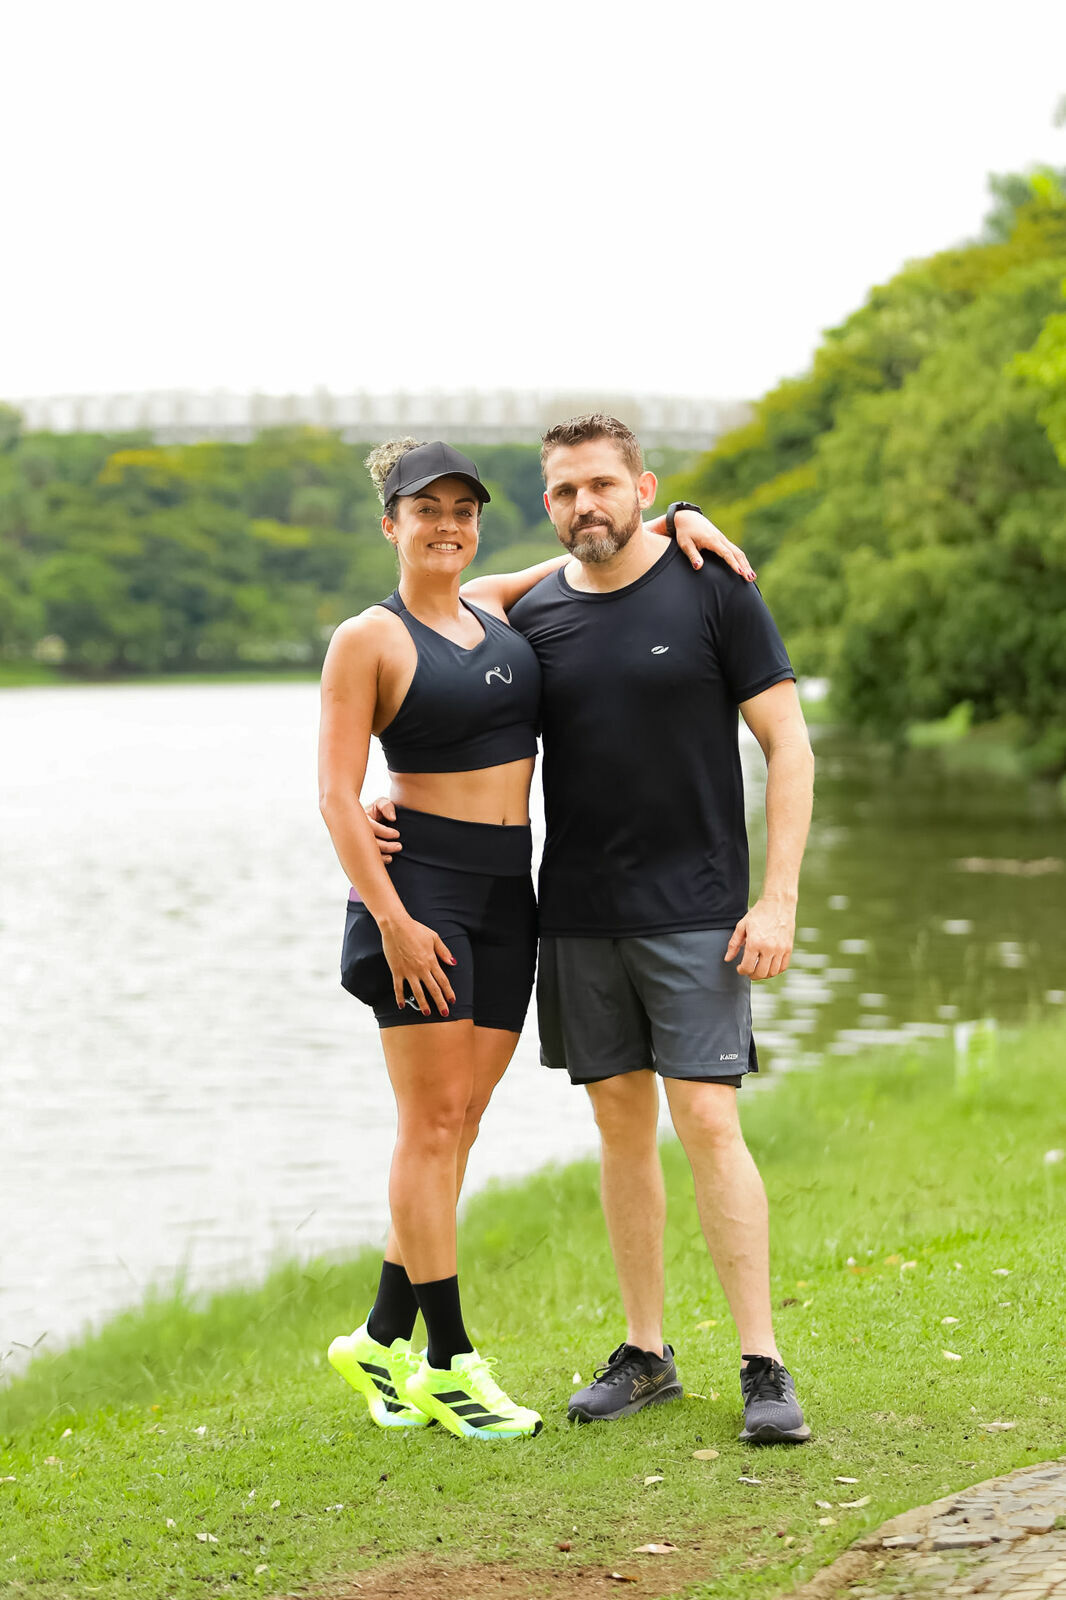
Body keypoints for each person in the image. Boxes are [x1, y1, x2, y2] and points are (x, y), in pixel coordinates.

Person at [371, 414, 815, 1444]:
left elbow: (788, 747)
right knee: (619, 1126)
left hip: (699, 909)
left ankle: (762, 1363)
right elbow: (431, 616)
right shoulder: (529, 618)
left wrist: (779, 895)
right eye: (565, 491)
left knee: (707, 1120)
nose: (585, 506)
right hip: (573, 913)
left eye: (604, 487)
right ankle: (647, 1352)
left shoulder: (715, 590)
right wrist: (377, 799)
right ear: (546, 506)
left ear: (643, 485)